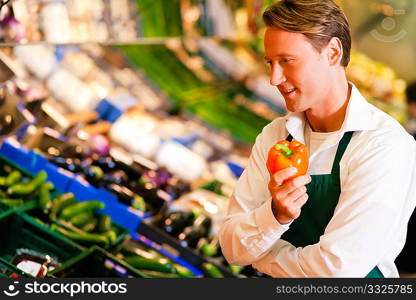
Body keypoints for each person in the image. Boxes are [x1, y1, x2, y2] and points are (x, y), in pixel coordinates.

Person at [219, 0, 416, 278]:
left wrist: (263, 259)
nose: (275, 78)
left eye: (287, 61)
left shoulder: (384, 146)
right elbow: (231, 248)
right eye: (270, 63)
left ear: (333, 52)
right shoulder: (275, 136)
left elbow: (336, 270)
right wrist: (276, 214)